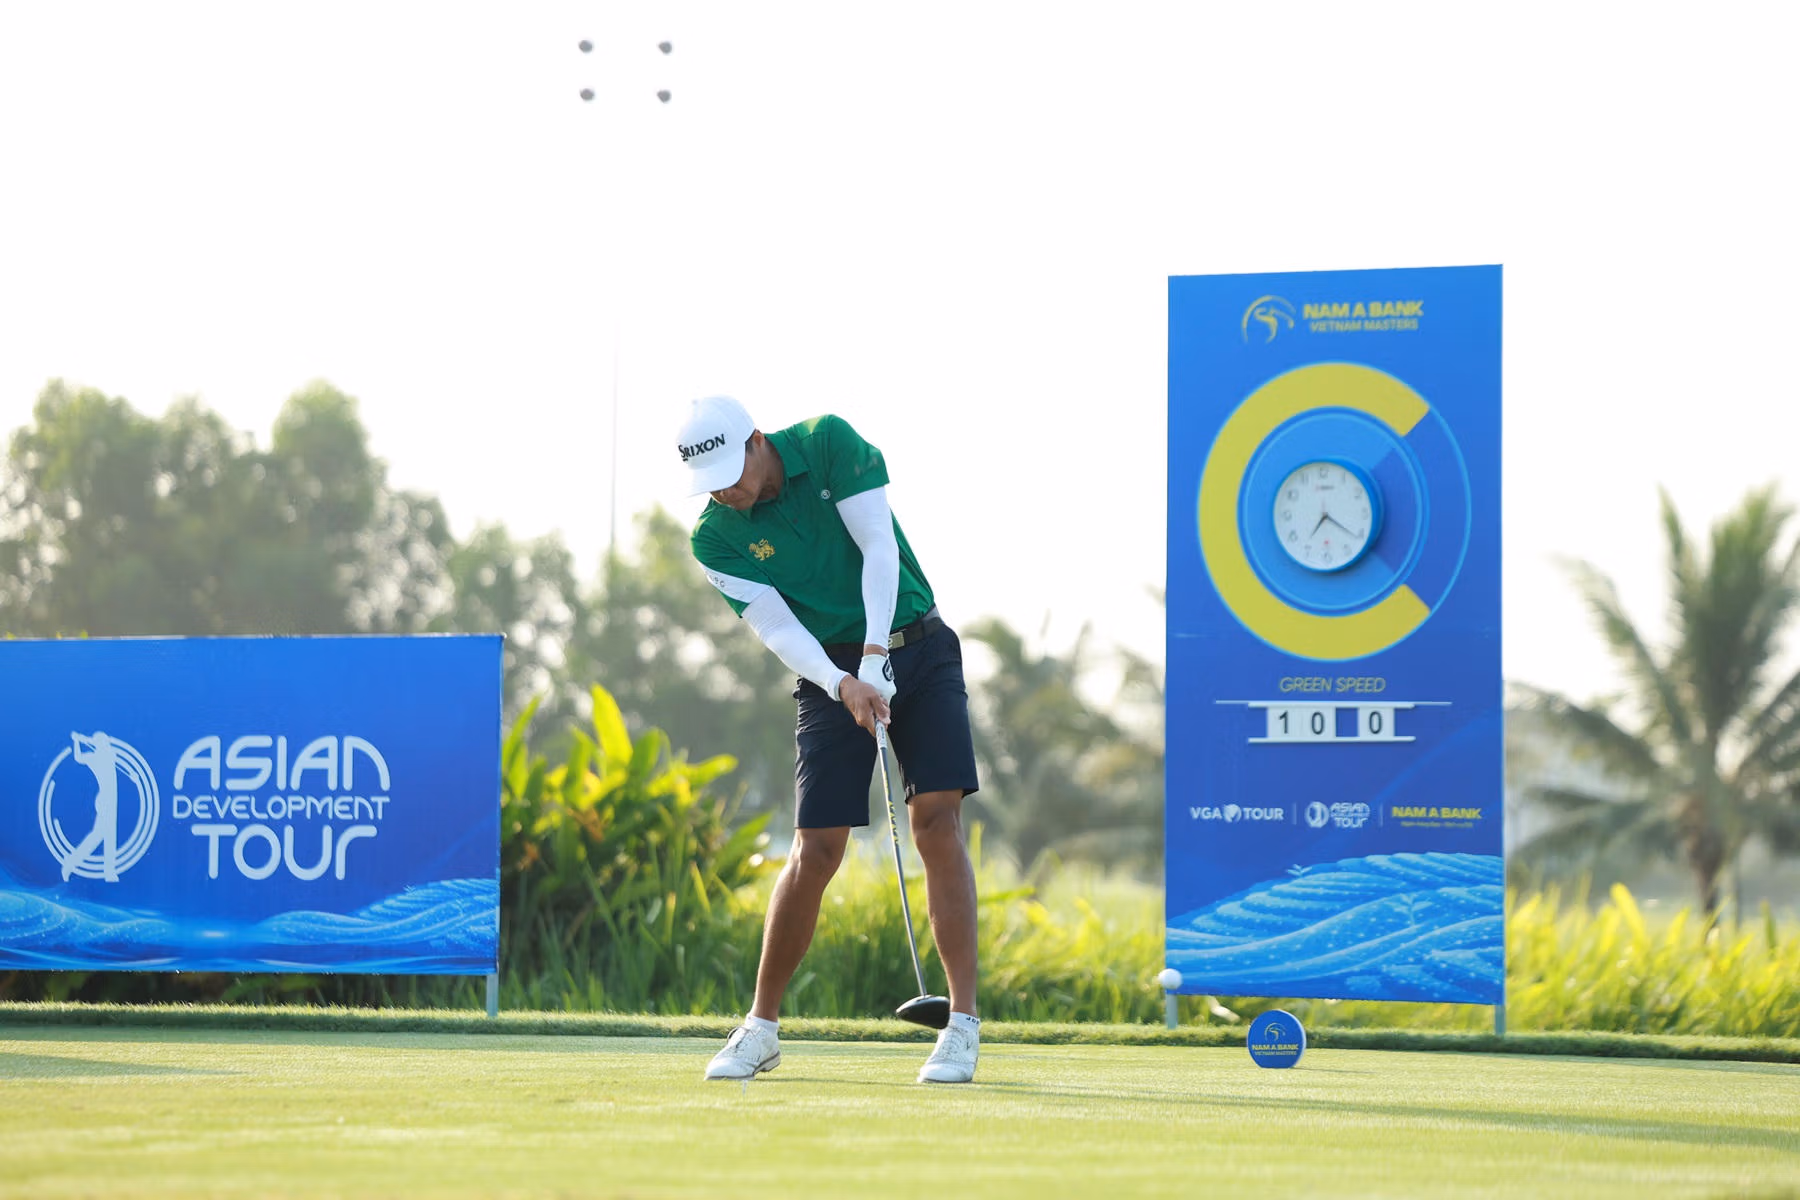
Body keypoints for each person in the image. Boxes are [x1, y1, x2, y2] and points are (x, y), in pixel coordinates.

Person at [677, 394, 982, 1084]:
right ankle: (761, 1028)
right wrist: (844, 682)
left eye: (730, 472)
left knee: (936, 822)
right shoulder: (714, 537)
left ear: (757, 441)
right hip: (827, 670)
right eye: (710, 483)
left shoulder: (828, 442)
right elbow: (775, 626)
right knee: (815, 847)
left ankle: (962, 1025)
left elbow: (878, 547)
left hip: (918, 644)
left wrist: (876, 655)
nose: (724, 492)